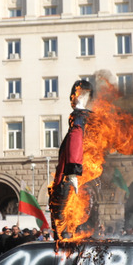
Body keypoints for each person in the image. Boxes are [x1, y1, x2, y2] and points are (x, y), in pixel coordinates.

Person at [49, 79, 93, 240]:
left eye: (81, 94)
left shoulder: (79, 117)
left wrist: (72, 172)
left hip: (73, 177)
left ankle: (67, 244)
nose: (74, 99)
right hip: (82, 174)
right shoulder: (85, 117)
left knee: (65, 219)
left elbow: (76, 139)